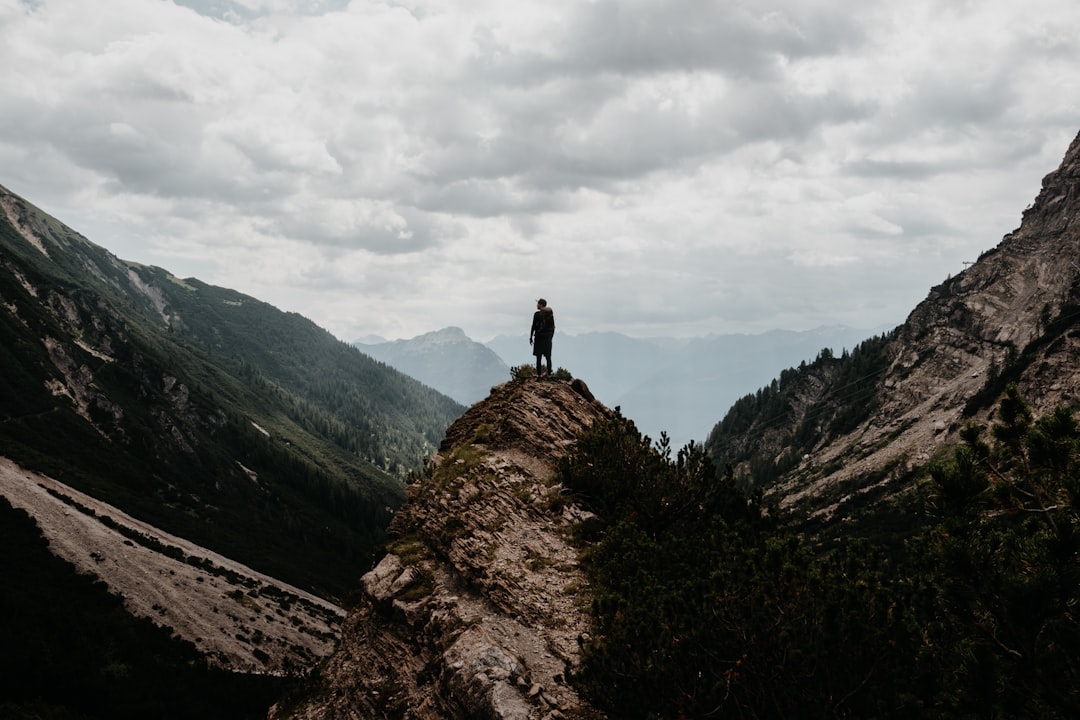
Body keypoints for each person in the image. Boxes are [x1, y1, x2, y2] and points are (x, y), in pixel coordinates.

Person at [529, 298, 555, 377]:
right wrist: (550, 337)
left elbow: (533, 326)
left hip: (539, 337)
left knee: (538, 358)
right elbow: (553, 326)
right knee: (548, 357)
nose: (537, 305)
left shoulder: (537, 314)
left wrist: (531, 337)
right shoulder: (550, 314)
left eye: (538, 304)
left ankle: (539, 376)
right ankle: (549, 375)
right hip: (547, 338)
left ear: (541, 305)